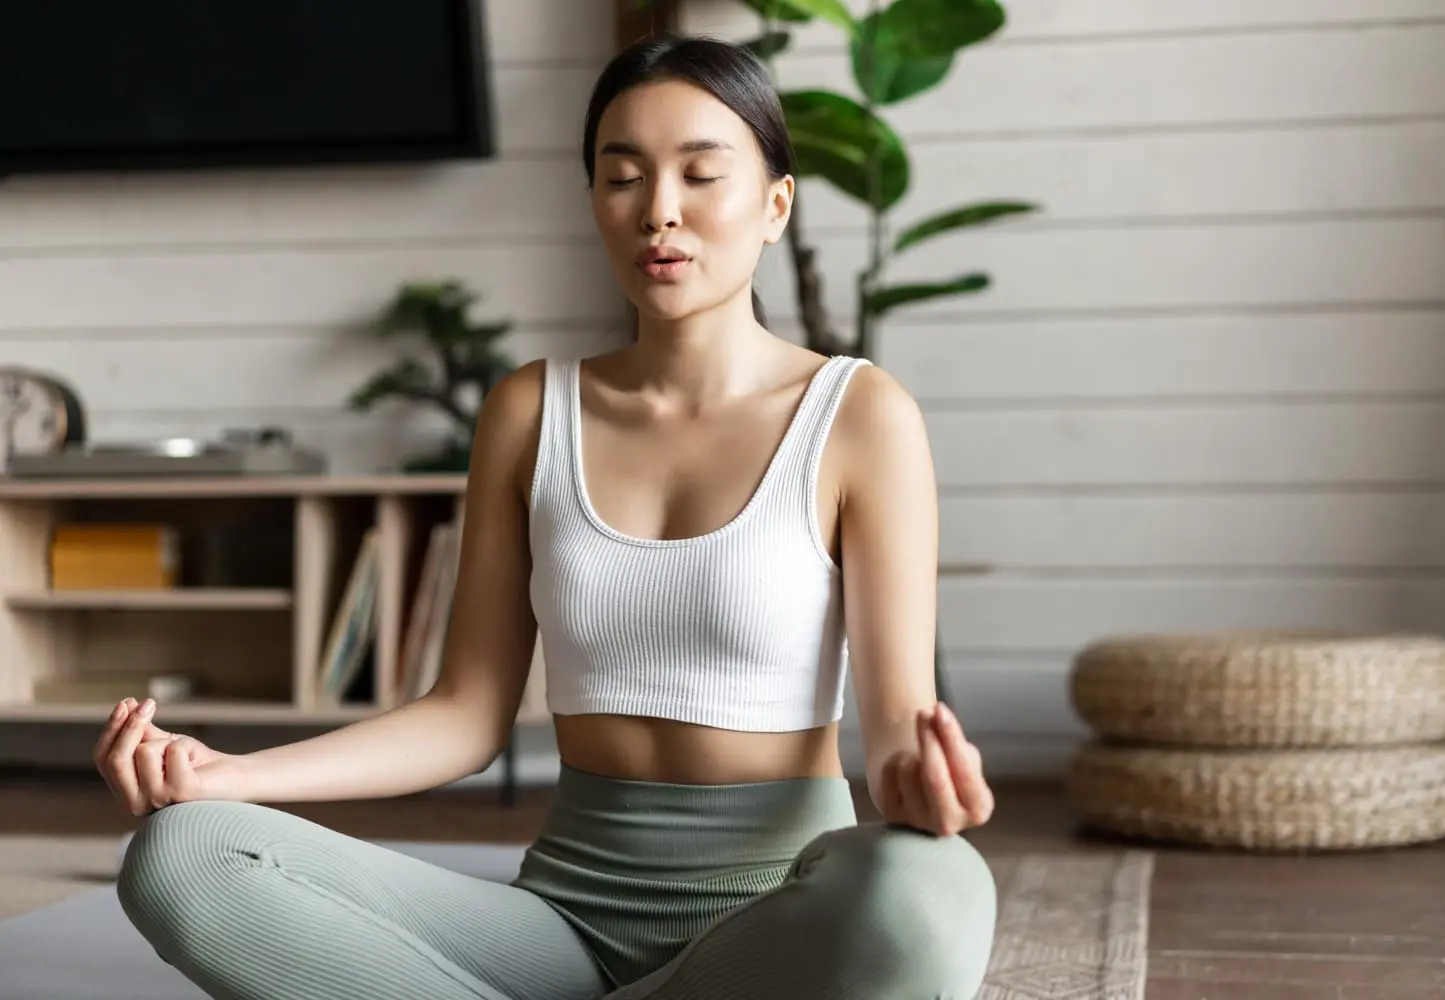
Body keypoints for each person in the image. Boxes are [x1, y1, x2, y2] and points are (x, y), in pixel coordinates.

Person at [93, 33, 998, 1000]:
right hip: (560, 926)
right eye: (622, 178)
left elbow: (900, 724)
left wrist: (924, 782)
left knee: (927, 889)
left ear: (775, 204)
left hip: (778, 920)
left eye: (700, 174)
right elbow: (464, 715)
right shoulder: (530, 410)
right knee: (183, 855)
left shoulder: (859, 415)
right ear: (595, 203)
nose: (659, 211)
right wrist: (227, 776)